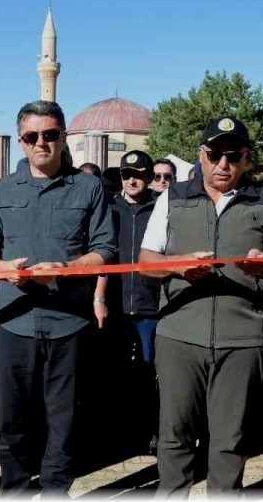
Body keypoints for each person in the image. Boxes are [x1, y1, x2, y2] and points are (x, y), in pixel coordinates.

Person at [138, 116, 263, 495]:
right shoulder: (172, 197)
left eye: (234, 156)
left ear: (246, 158)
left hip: (242, 337)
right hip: (179, 334)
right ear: (200, 155)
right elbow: (146, 260)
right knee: (174, 435)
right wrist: (179, 266)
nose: (223, 164)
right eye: (214, 155)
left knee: (231, 439)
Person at [0, 100, 116, 495]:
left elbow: (106, 248)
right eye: (32, 136)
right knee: (13, 417)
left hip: (67, 319)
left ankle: (55, 488)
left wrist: (66, 269)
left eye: (50, 135)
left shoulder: (88, 188)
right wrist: (4, 269)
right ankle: (15, 488)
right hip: (13, 319)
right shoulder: (2, 190)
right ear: (20, 142)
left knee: (64, 417)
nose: (42, 143)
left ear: (63, 137)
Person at [107, 150, 161, 455]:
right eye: (126, 174)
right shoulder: (108, 209)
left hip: (150, 307)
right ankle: (118, 432)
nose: (131, 180)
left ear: (149, 176)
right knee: (116, 374)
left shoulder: (161, 208)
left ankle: (151, 431)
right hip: (114, 307)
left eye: (138, 174)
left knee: (149, 373)